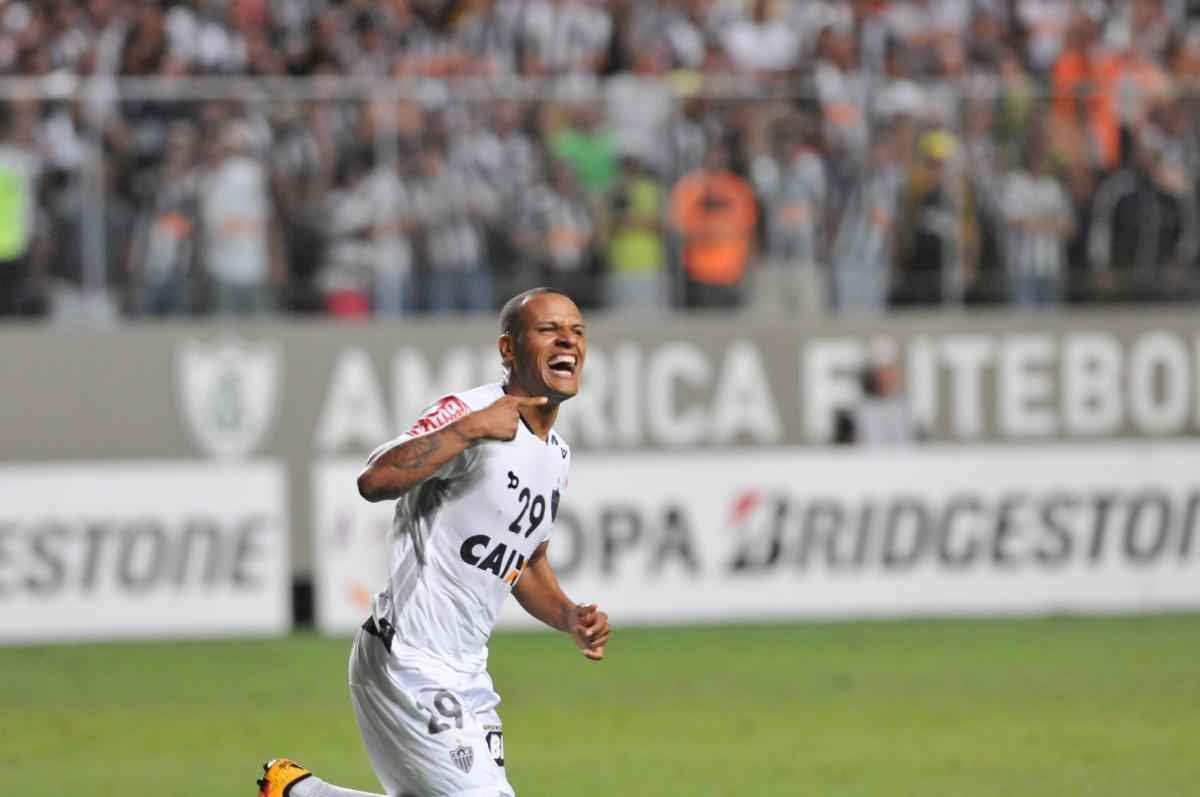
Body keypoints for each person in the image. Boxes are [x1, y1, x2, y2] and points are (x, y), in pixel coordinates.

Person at [257, 288, 611, 797]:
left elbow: (526, 563)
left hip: (468, 673)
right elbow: (375, 480)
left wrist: (568, 616)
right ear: (508, 348)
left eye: (577, 331)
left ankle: (301, 794)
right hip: (409, 660)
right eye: (549, 329)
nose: (567, 341)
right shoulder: (470, 413)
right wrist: (467, 431)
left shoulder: (556, 456)